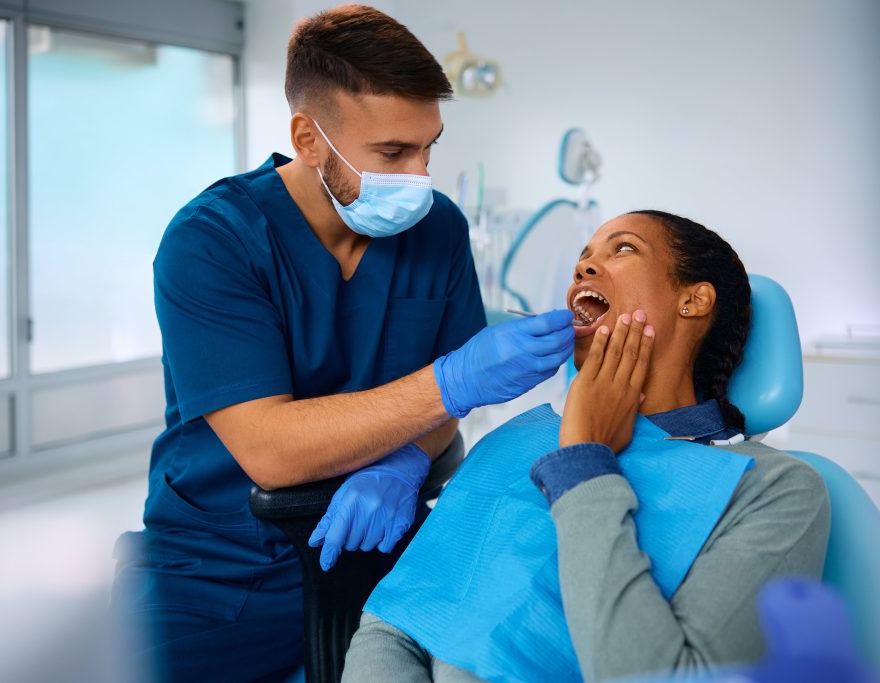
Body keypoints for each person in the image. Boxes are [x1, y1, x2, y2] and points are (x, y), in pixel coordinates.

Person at [109, 5, 575, 680]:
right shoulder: (213, 242)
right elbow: (269, 447)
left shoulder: (437, 229)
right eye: (392, 153)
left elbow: (441, 415)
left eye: (428, 147)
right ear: (309, 137)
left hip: (385, 551)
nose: (418, 176)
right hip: (217, 564)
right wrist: (450, 383)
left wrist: (405, 461)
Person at [341, 210, 832, 682]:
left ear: (694, 300)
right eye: (584, 255)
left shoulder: (773, 488)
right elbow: (393, 625)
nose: (584, 266)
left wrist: (583, 463)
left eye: (623, 249)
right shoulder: (513, 440)